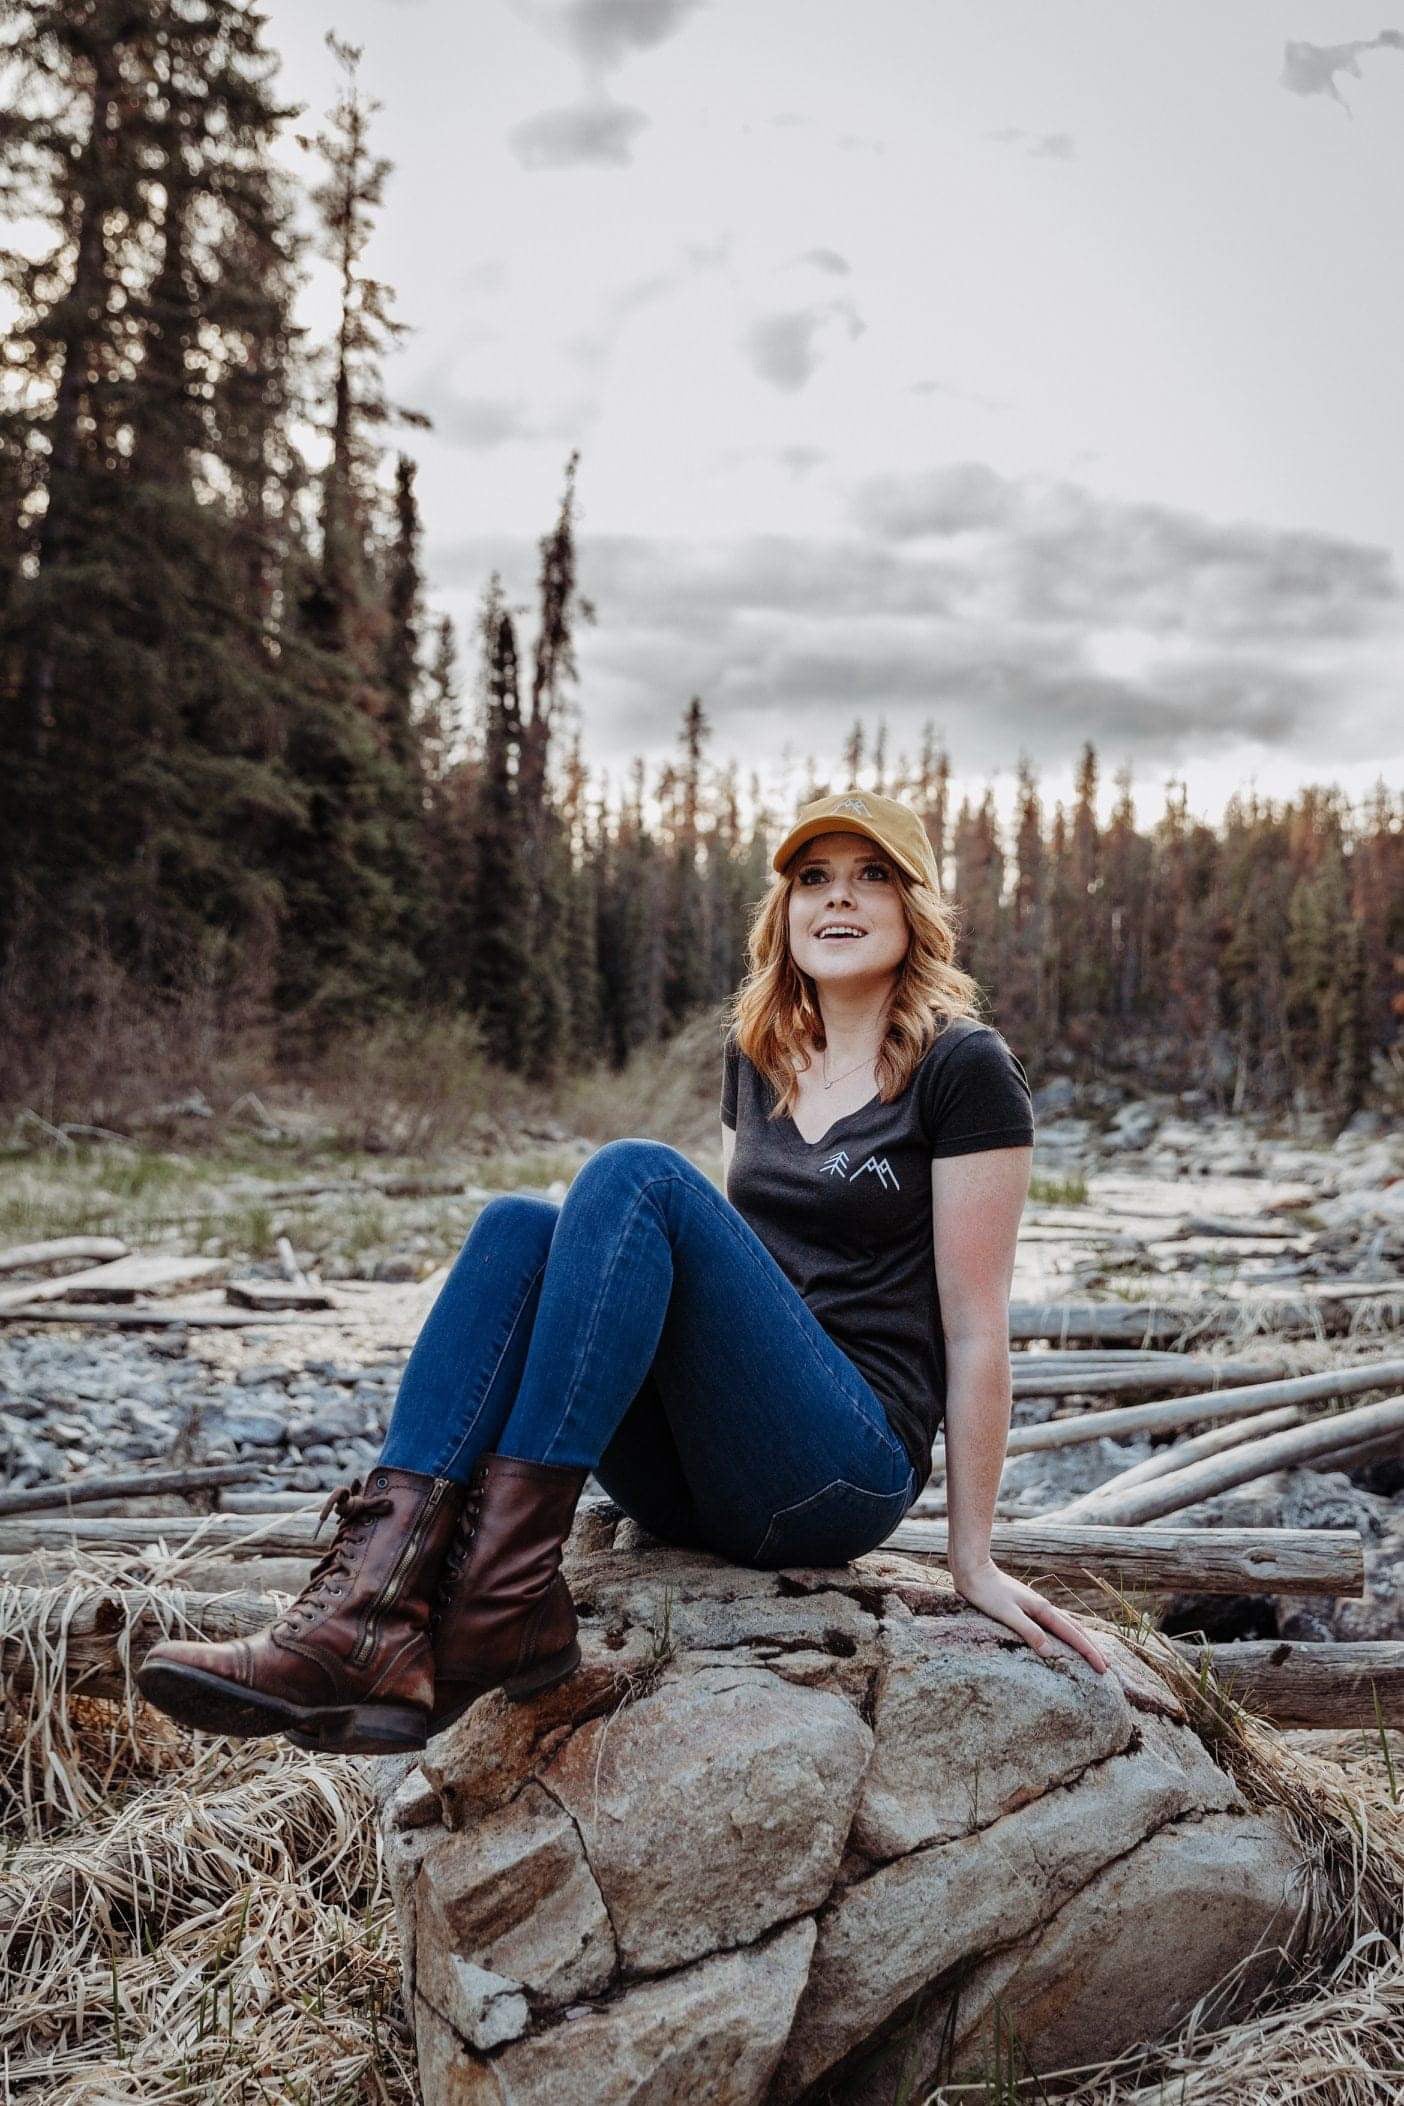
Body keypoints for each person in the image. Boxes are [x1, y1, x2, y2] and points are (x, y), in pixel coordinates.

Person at [138, 788, 1108, 1756]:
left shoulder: (963, 1066)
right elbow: (733, 1283)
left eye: (871, 877)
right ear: (785, 910)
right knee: (518, 1226)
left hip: (842, 1468)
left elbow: (978, 1327)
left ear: (915, 908)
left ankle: (496, 1593)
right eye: (813, 879)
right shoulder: (760, 1054)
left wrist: (971, 1559)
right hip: (706, 1475)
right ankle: (368, 1610)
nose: (838, 900)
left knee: (634, 1174)